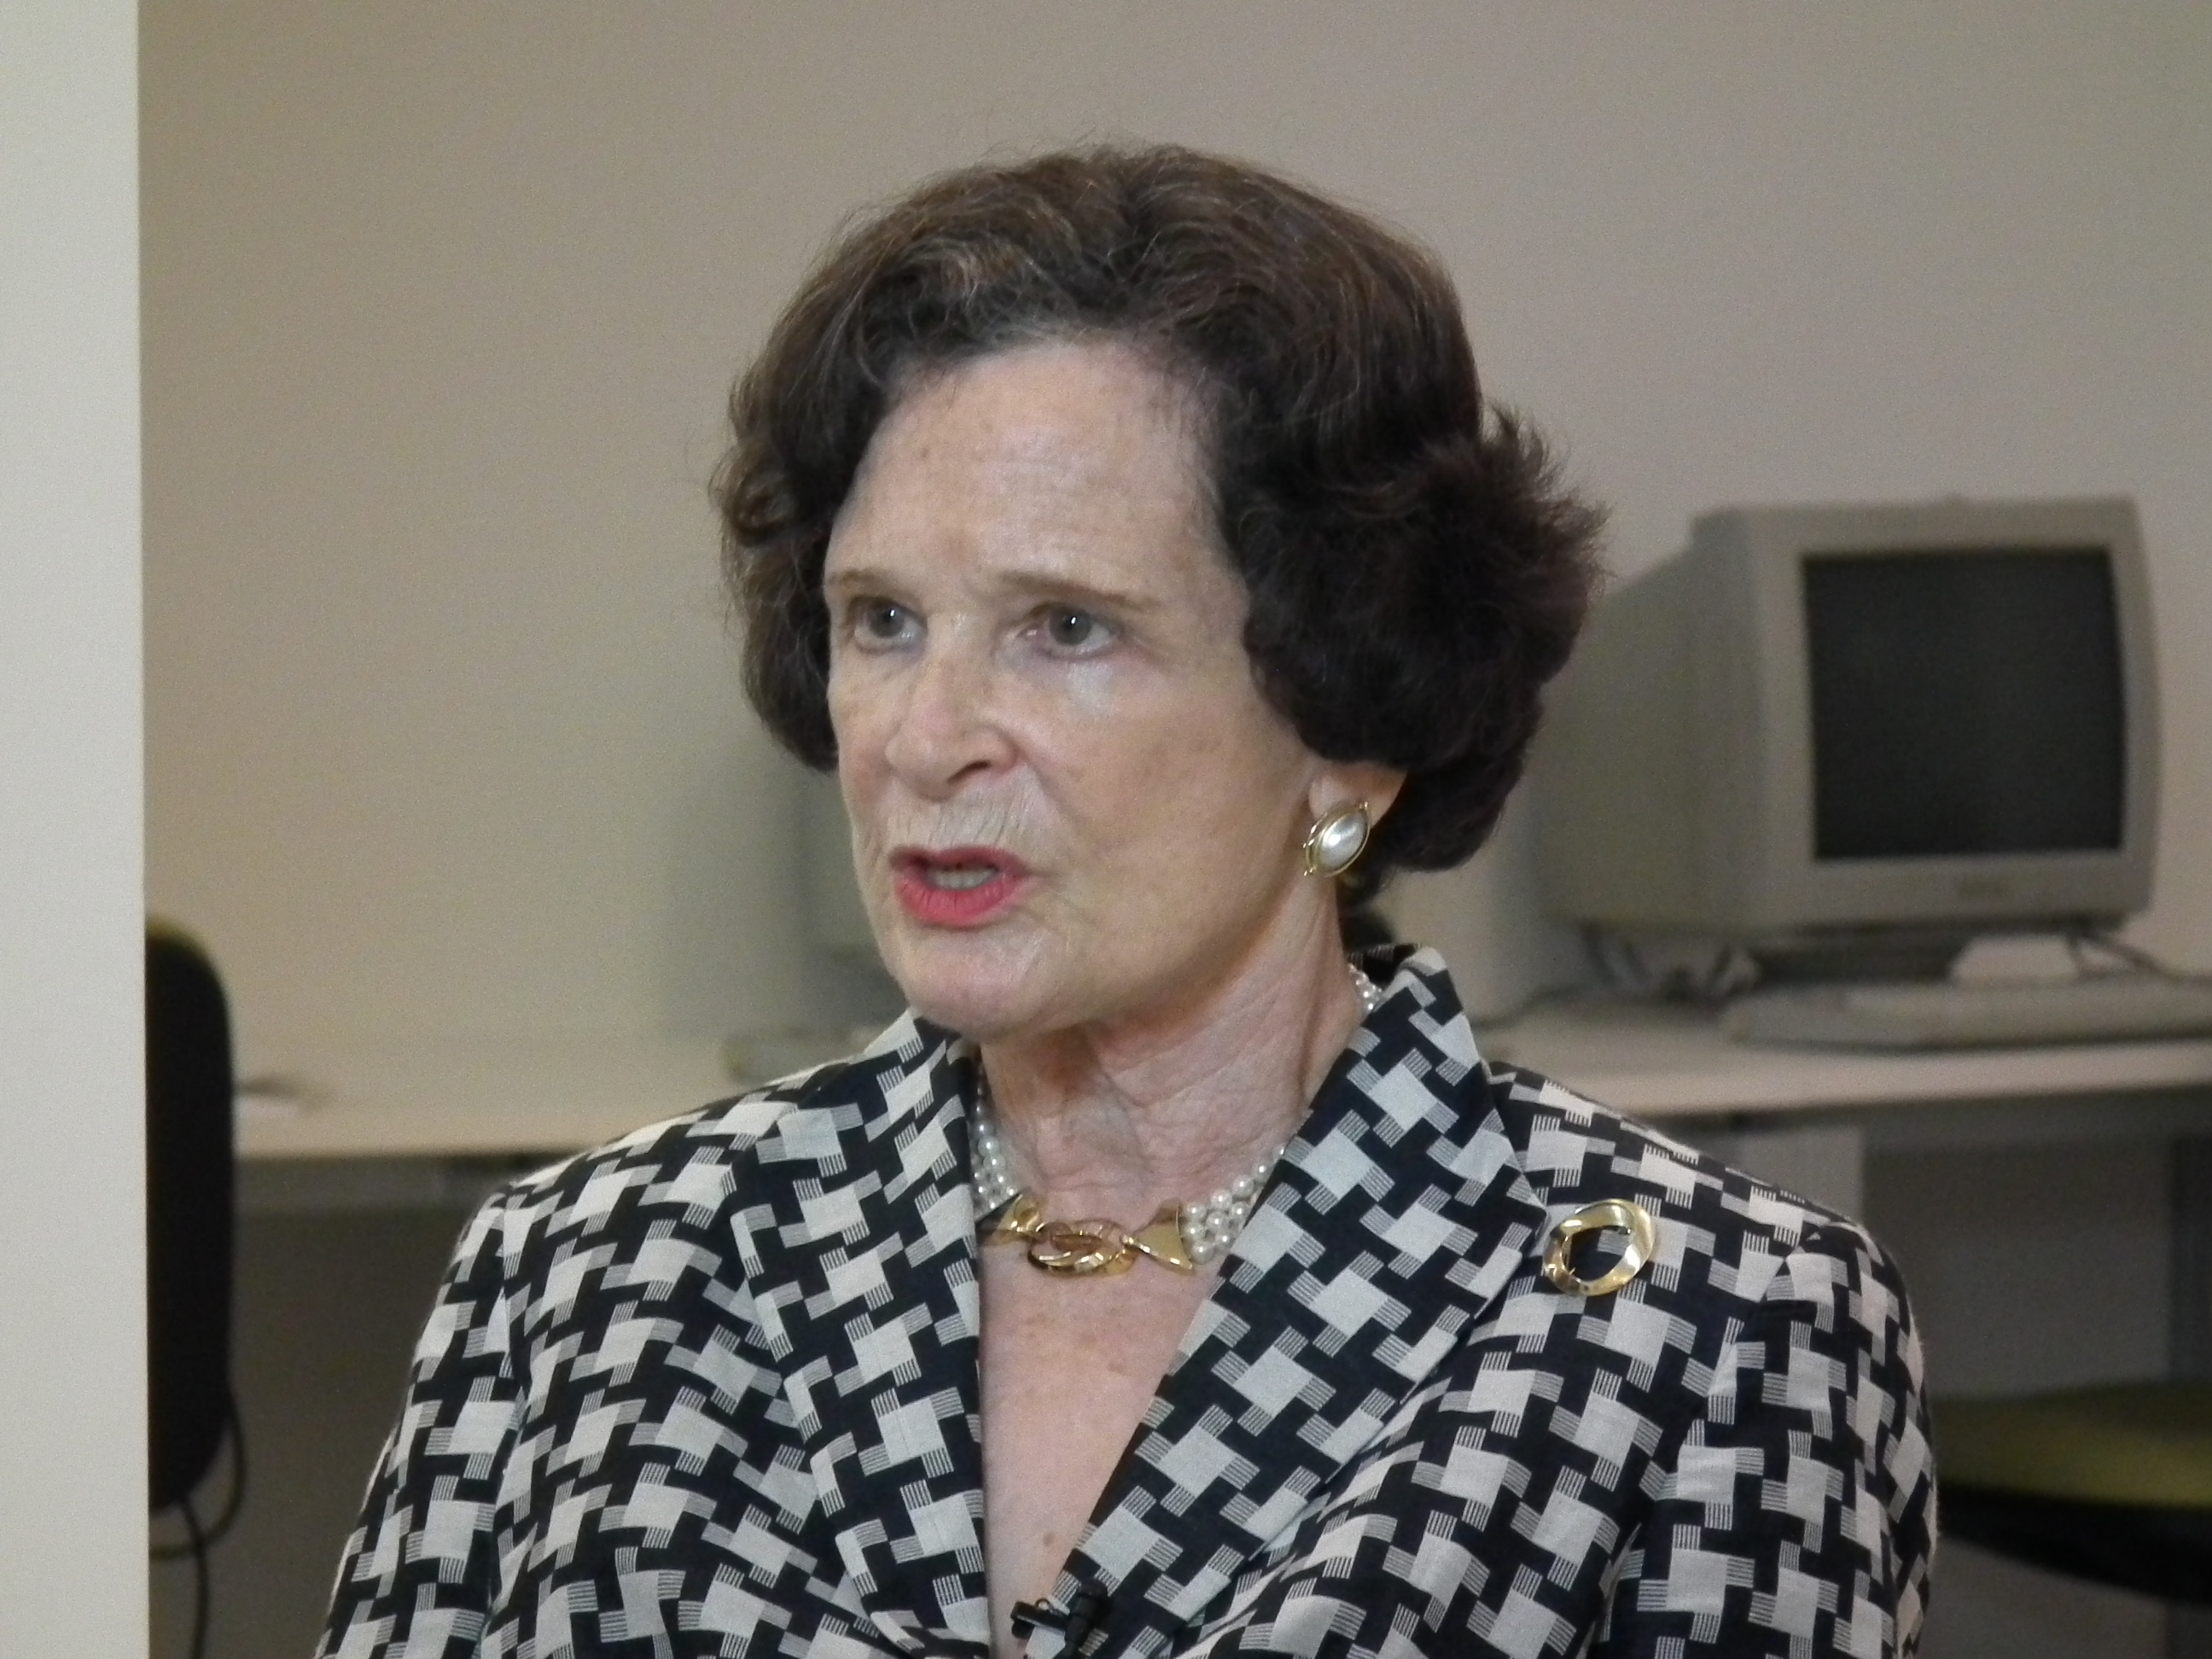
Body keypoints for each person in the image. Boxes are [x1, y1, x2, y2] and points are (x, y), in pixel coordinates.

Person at [320, 146, 1932, 1658]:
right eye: (881, 620)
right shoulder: (581, 1277)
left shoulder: (1711, 1329)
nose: (925, 739)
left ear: (1350, 723)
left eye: (1067, 628)